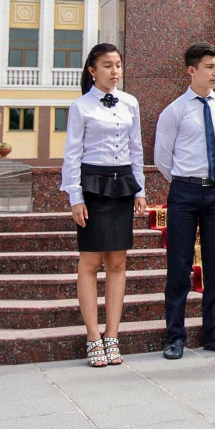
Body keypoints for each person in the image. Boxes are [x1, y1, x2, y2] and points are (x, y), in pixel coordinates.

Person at [60, 43, 146, 368]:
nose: (115, 71)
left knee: (118, 264)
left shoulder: (130, 103)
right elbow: (72, 155)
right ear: (92, 70)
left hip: (122, 184)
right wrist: (75, 197)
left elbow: (136, 149)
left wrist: (140, 190)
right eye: (108, 65)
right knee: (90, 262)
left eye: (118, 65)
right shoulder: (80, 107)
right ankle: (93, 337)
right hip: (92, 185)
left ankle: (113, 335)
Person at [155, 41, 215, 359]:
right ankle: (174, 336)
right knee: (179, 265)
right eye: (209, 67)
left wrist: (213, 179)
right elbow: (162, 158)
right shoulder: (175, 111)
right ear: (191, 70)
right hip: (184, 193)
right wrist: (188, 181)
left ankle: (214, 332)